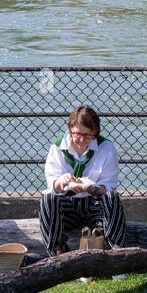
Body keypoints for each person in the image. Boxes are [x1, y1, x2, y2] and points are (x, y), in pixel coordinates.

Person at [39, 104, 127, 256]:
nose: (81, 140)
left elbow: (109, 186)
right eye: (77, 133)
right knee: (47, 198)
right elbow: (52, 185)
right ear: (70, 129)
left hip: (93, 204)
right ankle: (56, 254)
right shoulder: (57, 147)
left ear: (95, 133)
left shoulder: (106, 147)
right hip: (67, 205)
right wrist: (62, 182)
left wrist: (91, 188)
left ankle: (117, 253)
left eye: (88, 136)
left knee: (112, 197)